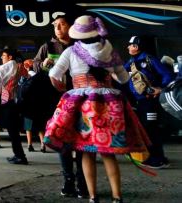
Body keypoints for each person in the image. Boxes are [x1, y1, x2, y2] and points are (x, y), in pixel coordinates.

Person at [45, 15, 150, 203]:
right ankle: (116, 196)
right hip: (110, 103)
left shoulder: (71, 51)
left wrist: (63, 88)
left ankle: (92, 196)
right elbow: (125, 78)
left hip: (82, 103)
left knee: (86, 152)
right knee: (108, 152)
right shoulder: (109, 49)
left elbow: (54, 74)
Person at [33, 15, 86, 198]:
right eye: (56, 25)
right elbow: (35, 65)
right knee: (63, 140)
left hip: (80, 99)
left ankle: (83, 182)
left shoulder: (80, 45)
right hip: (57, 100)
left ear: (71, 27)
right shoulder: (47, 47)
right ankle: (68, 181)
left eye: (63, 24)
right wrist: (42, 64)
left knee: (81, 140)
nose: (58, 28)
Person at [124, 36, 173, 169]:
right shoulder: (132, 61)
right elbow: (121, 74)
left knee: (152, 129)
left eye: (130, 45)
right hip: (141, 102)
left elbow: (167, 75)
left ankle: (158, 160)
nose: (128, 47)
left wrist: (160, 89)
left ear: (137, 46)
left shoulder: (149, 59)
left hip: (150, 101)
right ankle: (156, 157)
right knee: (146, 129)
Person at [0, 48, 27, 165]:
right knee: (13, 130)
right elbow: (26, 75)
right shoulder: (18, 65)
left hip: (7, 100)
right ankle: (18, 154)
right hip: (13, 100)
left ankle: (20, 156)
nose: (1, 58)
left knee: (12, 130)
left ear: (9, 57)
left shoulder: (6, 66)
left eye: (3, 55)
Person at [19, 59, 45, 153]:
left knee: (29, 126)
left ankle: (30, 144)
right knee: (40, 126)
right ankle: (42, 145)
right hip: (38, 104)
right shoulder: (41, 76)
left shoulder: (26, 77)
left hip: (29, 104)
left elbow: (21, 88)